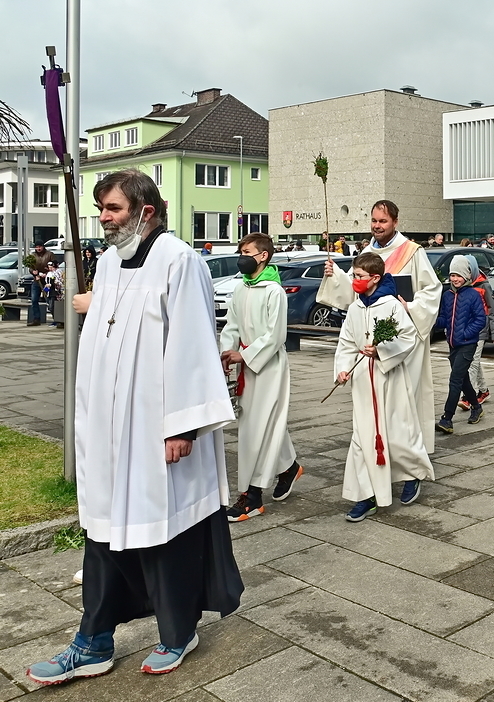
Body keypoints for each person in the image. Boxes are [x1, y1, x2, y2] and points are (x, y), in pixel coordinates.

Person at [28, 169, 242, 685]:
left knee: (164, 533)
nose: (104, 218)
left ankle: (178, 633)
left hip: (156, 430)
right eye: (101, 208)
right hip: (109, 432)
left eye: (114, 209)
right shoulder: (107, 261)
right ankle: (94, 642)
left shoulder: (179, 260)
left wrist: (183, 428)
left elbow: (192, 345)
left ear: (146, 211)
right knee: (103, 531)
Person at [318, 200, 442, 454]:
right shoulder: (367, 252)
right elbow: (357, 289)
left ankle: (408, 454)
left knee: (404, 400)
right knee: (374, 400)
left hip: (403, 337)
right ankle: (379, 449)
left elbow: (432, 290)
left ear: (395, 222)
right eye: (374, 221)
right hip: (371, 340)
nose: (377, 226)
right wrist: (336, 276)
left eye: (383, 221)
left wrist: (410, 306)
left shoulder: (411, 251)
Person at [336, 253, 433, 522]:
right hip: (363, 382)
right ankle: (366, 496)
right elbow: (346, 342)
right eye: (354, 275)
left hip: (389, 379)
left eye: (359, 276)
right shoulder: (356, 308)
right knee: (362, 439)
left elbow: (408, 337)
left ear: (375, 278)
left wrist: (382, 351)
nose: (355, 280)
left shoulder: (391, 305)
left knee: (397, 434)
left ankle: (413, 474)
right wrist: (343, 368)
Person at [219, 232, 303, 522]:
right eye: (241, 252)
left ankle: (252, 495)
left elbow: (275, 335)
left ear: (263, 256)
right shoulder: (241, 288)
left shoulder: (273, 291)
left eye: (247, 252)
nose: (242, 257)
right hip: (245, 365)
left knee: (258, 428)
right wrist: (225, 352)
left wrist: (244, 355)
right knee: (260, 424)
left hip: (268, 367)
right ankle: (289, 467)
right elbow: (232, 325)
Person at [435, 256, 486, 434]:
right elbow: (444, 318)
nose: (455, 279)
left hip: (467, 344)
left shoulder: (473, 295)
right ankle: (476, 407)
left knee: (455, 380)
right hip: (453, 345)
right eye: (452, 275)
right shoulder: (447, 295)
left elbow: (480, 320)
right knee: (462, 379)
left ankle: (447, 418)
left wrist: (465, 334)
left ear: (467, 276)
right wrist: (430, 321)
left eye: (458, 275)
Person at [459, 256, 494, 409]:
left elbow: (492, 309)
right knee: (473, 361)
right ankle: (483, 391)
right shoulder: (461, 284)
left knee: (472, 363)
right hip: (466, 330)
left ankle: (468, 396)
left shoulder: (484, 285)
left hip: (480, 329)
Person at [26, 242, 55, 326]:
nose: (38, 248)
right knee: (34, 299)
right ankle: (36, 319)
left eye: (40, 247)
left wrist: (47, 273)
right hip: (37, 280)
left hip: (47, 281)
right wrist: (33, 272)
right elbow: (30, 268)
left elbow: (54, 266)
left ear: (43, 247)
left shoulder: (49, 254)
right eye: (37, 247)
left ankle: (56, 318)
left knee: (49, 299)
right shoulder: (33, 255)